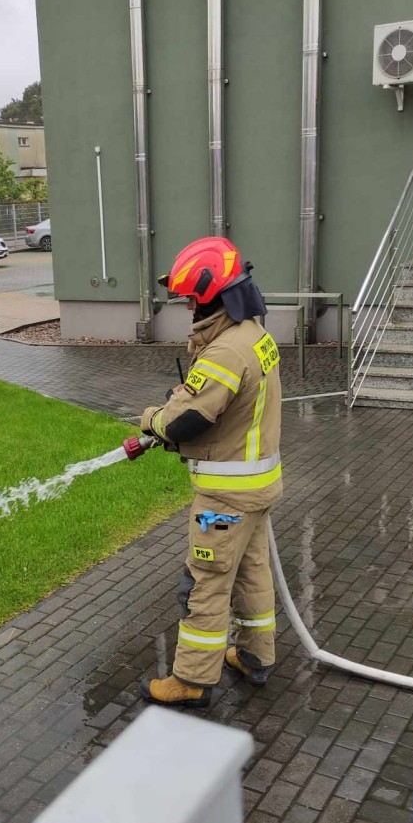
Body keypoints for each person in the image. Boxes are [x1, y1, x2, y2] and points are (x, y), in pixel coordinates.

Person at [138, 237, 283, 708]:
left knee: (205, 580)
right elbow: (226, 406)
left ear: (213, 296)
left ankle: (192, 680)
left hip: (224, 500)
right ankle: (256, 658)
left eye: (191, 298)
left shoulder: (225, 351)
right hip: (257, 488)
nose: (187, 306)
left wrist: (152, 421)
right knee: (252, 575)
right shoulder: (254, 337)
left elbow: (185, 421)